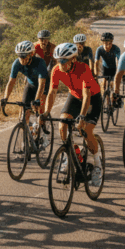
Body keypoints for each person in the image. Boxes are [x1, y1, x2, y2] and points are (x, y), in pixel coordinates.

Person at [43, 42, 103, 187]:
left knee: (86, 131)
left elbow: (87, 95)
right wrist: (46, 112)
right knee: (62, 125)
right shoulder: (56, 70)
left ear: (73, 59)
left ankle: (97, 164)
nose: (61, 64)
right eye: (59, 61)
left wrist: (82, 116)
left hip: (92, 98)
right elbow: (52, 92)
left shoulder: (83, 68)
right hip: (75, 97)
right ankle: (68, 155)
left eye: (64, 61)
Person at [1, 40, 49, 139]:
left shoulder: (40, 63)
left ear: (31, 54)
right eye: (19, 56)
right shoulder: (16, 63)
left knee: (39, 109)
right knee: (24, 113)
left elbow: (41, 85)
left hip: (43, 85)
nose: (22, 59)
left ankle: (42, 123)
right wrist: (5, 98)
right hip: (30, 85)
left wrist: (37, 100)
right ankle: (27, 139)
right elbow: (11, 82)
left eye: (24, 56)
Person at [93, 32, 121, 96]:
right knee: (104, 85)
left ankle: (114, 97)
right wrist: (95, 74)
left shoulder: (116, 49)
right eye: (105, 44)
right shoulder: (99, 49)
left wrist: (120, 72)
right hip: (104, 68)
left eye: (109, 44)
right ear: (102, 43)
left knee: (113, 85)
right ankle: (105, 98)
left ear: (112, 42)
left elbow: (119, 61)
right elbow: (96, 63)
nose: (108, 46)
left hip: (113, 68)